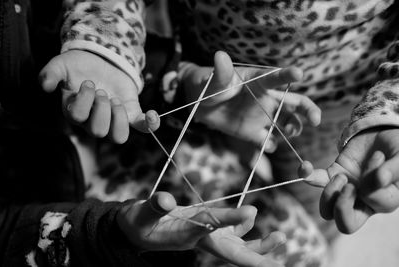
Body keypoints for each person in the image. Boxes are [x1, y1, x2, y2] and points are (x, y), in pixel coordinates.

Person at [39, 0, 399, 266]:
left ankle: (321, 233)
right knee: (245, 164)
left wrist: (388, 111)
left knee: (321, 190)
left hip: (343, 95)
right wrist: (106, 42)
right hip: (214, 74)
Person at [0, 0, 298, 266]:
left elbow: (38, 29)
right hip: (62, 222)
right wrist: (108, 233)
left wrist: (180, 86)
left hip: (91, 140)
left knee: (295, 241)